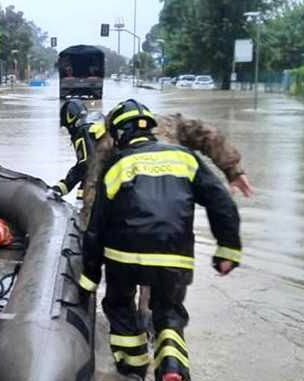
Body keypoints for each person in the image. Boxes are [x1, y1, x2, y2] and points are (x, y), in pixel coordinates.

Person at [79, 99, 242, 381]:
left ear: (117, 131)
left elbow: (96, 211)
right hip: (173, 253)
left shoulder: (112, 152)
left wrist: (89, 272)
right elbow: (221, 201)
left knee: (120, 305)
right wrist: (228, 249)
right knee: (167, 310)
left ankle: (133, 369)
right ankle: (170, 360)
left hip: (126, 252)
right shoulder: (181, 147)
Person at [55, 99, 254, 203]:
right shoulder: (166, 123)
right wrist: (233, 170)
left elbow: (89, 175)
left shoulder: (105, 138)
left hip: (136, 205)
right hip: (175, 205)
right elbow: (206, 133)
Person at [52, 99, 107, 201]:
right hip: (113, 180)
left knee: (83, 192)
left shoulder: (83, 131)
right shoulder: (97, 125)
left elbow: (85, 164)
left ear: (70, 119)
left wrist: (61, 188)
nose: (69, 132)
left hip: (98, 186)